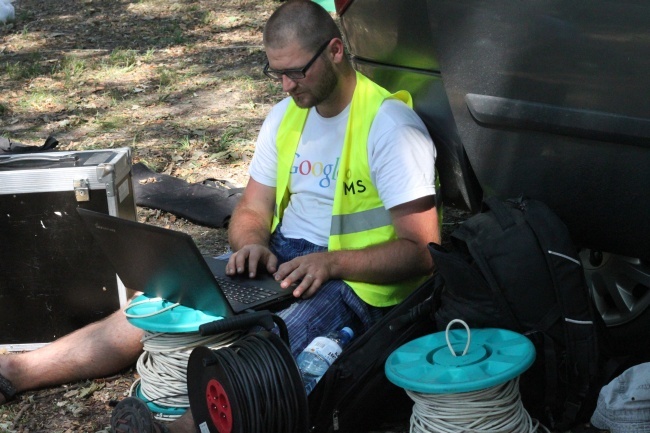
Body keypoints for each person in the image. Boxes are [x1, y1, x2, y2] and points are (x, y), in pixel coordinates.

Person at [0, 1, 439, 431]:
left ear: (335, 51)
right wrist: (251, 244)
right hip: (286, 258)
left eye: (295, 72)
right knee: (162, 303)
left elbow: (422, 252)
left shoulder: (391, 128)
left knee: (264, 353)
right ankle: (18, 371)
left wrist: (332, 263)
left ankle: (175, 429)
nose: (286, 86)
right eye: (276, 73)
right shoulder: (286, 117)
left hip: (356, 280)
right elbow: (251, 208)